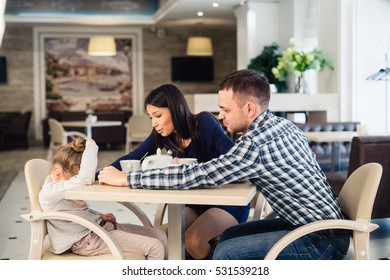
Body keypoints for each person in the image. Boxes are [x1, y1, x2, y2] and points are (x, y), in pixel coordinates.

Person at [98, 69, 351, 260]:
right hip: (318, 225)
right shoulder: (283, 126)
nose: (220, 116)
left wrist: (129, 179)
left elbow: (197, 175)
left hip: (320, 240)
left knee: (226, 253)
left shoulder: (255, 145)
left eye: (226, 110)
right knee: (228, 237)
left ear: (249, 108)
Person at [97, 83, 250, 259]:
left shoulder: (203, 123)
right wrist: (99, 174)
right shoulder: (162, 135)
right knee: (171, 236)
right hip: (195, 201)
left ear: (175, 109)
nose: (154, 123)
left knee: (193, 240)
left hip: (226, 202)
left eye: (158, 115)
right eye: (151, 118)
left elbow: (237, 159)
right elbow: (134, 156)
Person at [39, 137, 168, 260]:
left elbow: (73, 212)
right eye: (76, 178)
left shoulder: (59, 186)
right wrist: (91, 145)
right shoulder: (49, 192)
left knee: (160, 235)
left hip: (98, 228)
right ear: (58, 174)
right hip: (85, 240)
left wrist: (99, 216)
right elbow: (85, 179)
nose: (81, 181)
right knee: (155, 247)